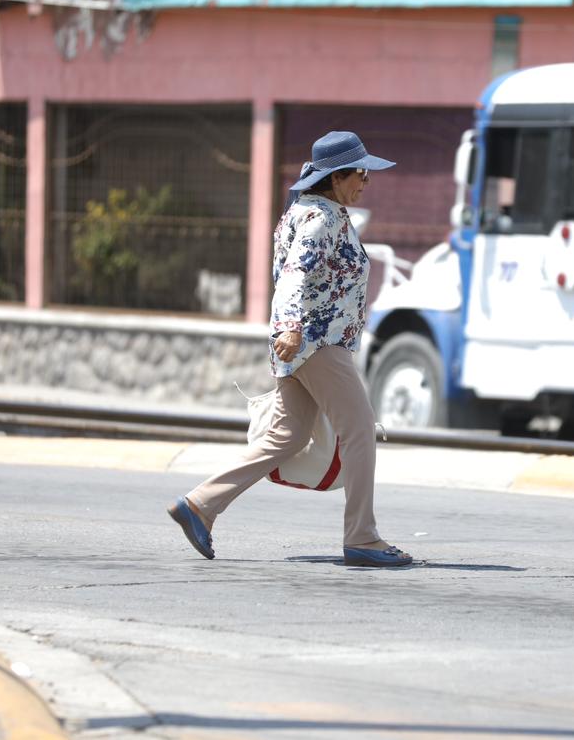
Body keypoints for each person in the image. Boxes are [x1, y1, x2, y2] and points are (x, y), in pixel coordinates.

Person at [167, 131, 414, 566]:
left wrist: (288, 331)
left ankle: (200, 505)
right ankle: (363, 536)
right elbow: (295, 276)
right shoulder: (322, 219)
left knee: (287, 435)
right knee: (359, 429)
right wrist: (292, 327)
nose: (365, 183)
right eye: (361, 174)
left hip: (299, 343)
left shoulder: (304, 212)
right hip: (317, 342)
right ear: (336, 178)